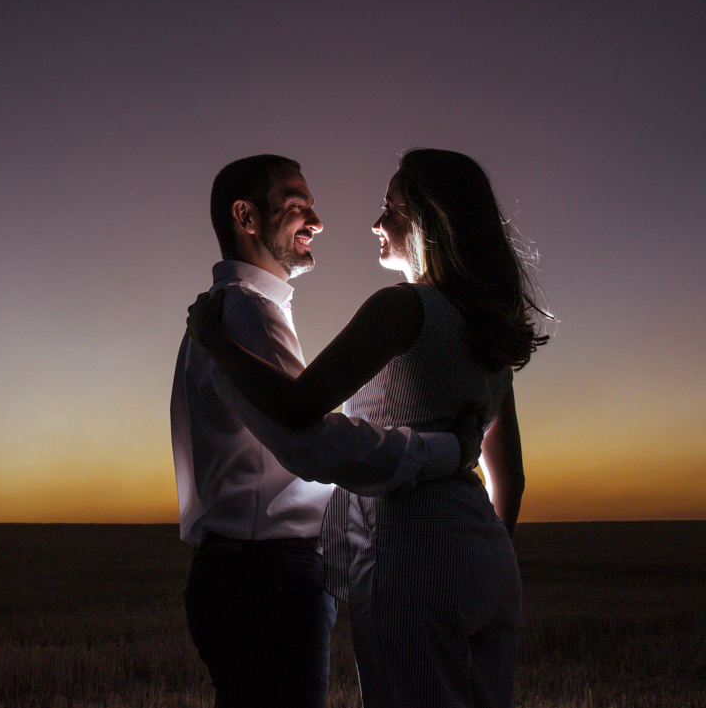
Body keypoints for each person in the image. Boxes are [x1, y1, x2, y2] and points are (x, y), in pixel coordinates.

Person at [187, 148, 549, 708]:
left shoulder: (400, 309)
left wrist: (213, 341)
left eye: (392, 208)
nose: (375, 222)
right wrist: (478, 553)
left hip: (411, 558)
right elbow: (514, 478)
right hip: (489, 560)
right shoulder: (488, 328)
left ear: (430, 221)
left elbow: (300, 406)